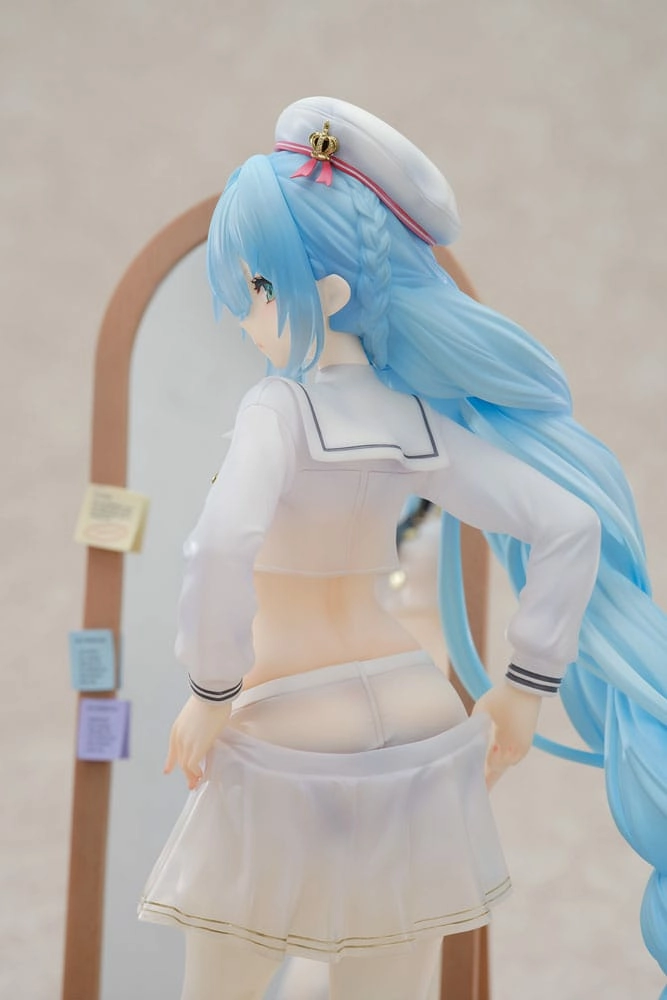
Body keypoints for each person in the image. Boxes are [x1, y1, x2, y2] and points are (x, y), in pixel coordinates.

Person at [138, 97, 667, 999]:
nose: (242, 314)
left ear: (328, 295)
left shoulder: (277, 407)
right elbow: (570, 524)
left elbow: (221, 545)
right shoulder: (413, 419)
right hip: (420, 712)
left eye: (259, 288)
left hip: (289, 715)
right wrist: (525, 688)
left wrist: (209, 692)